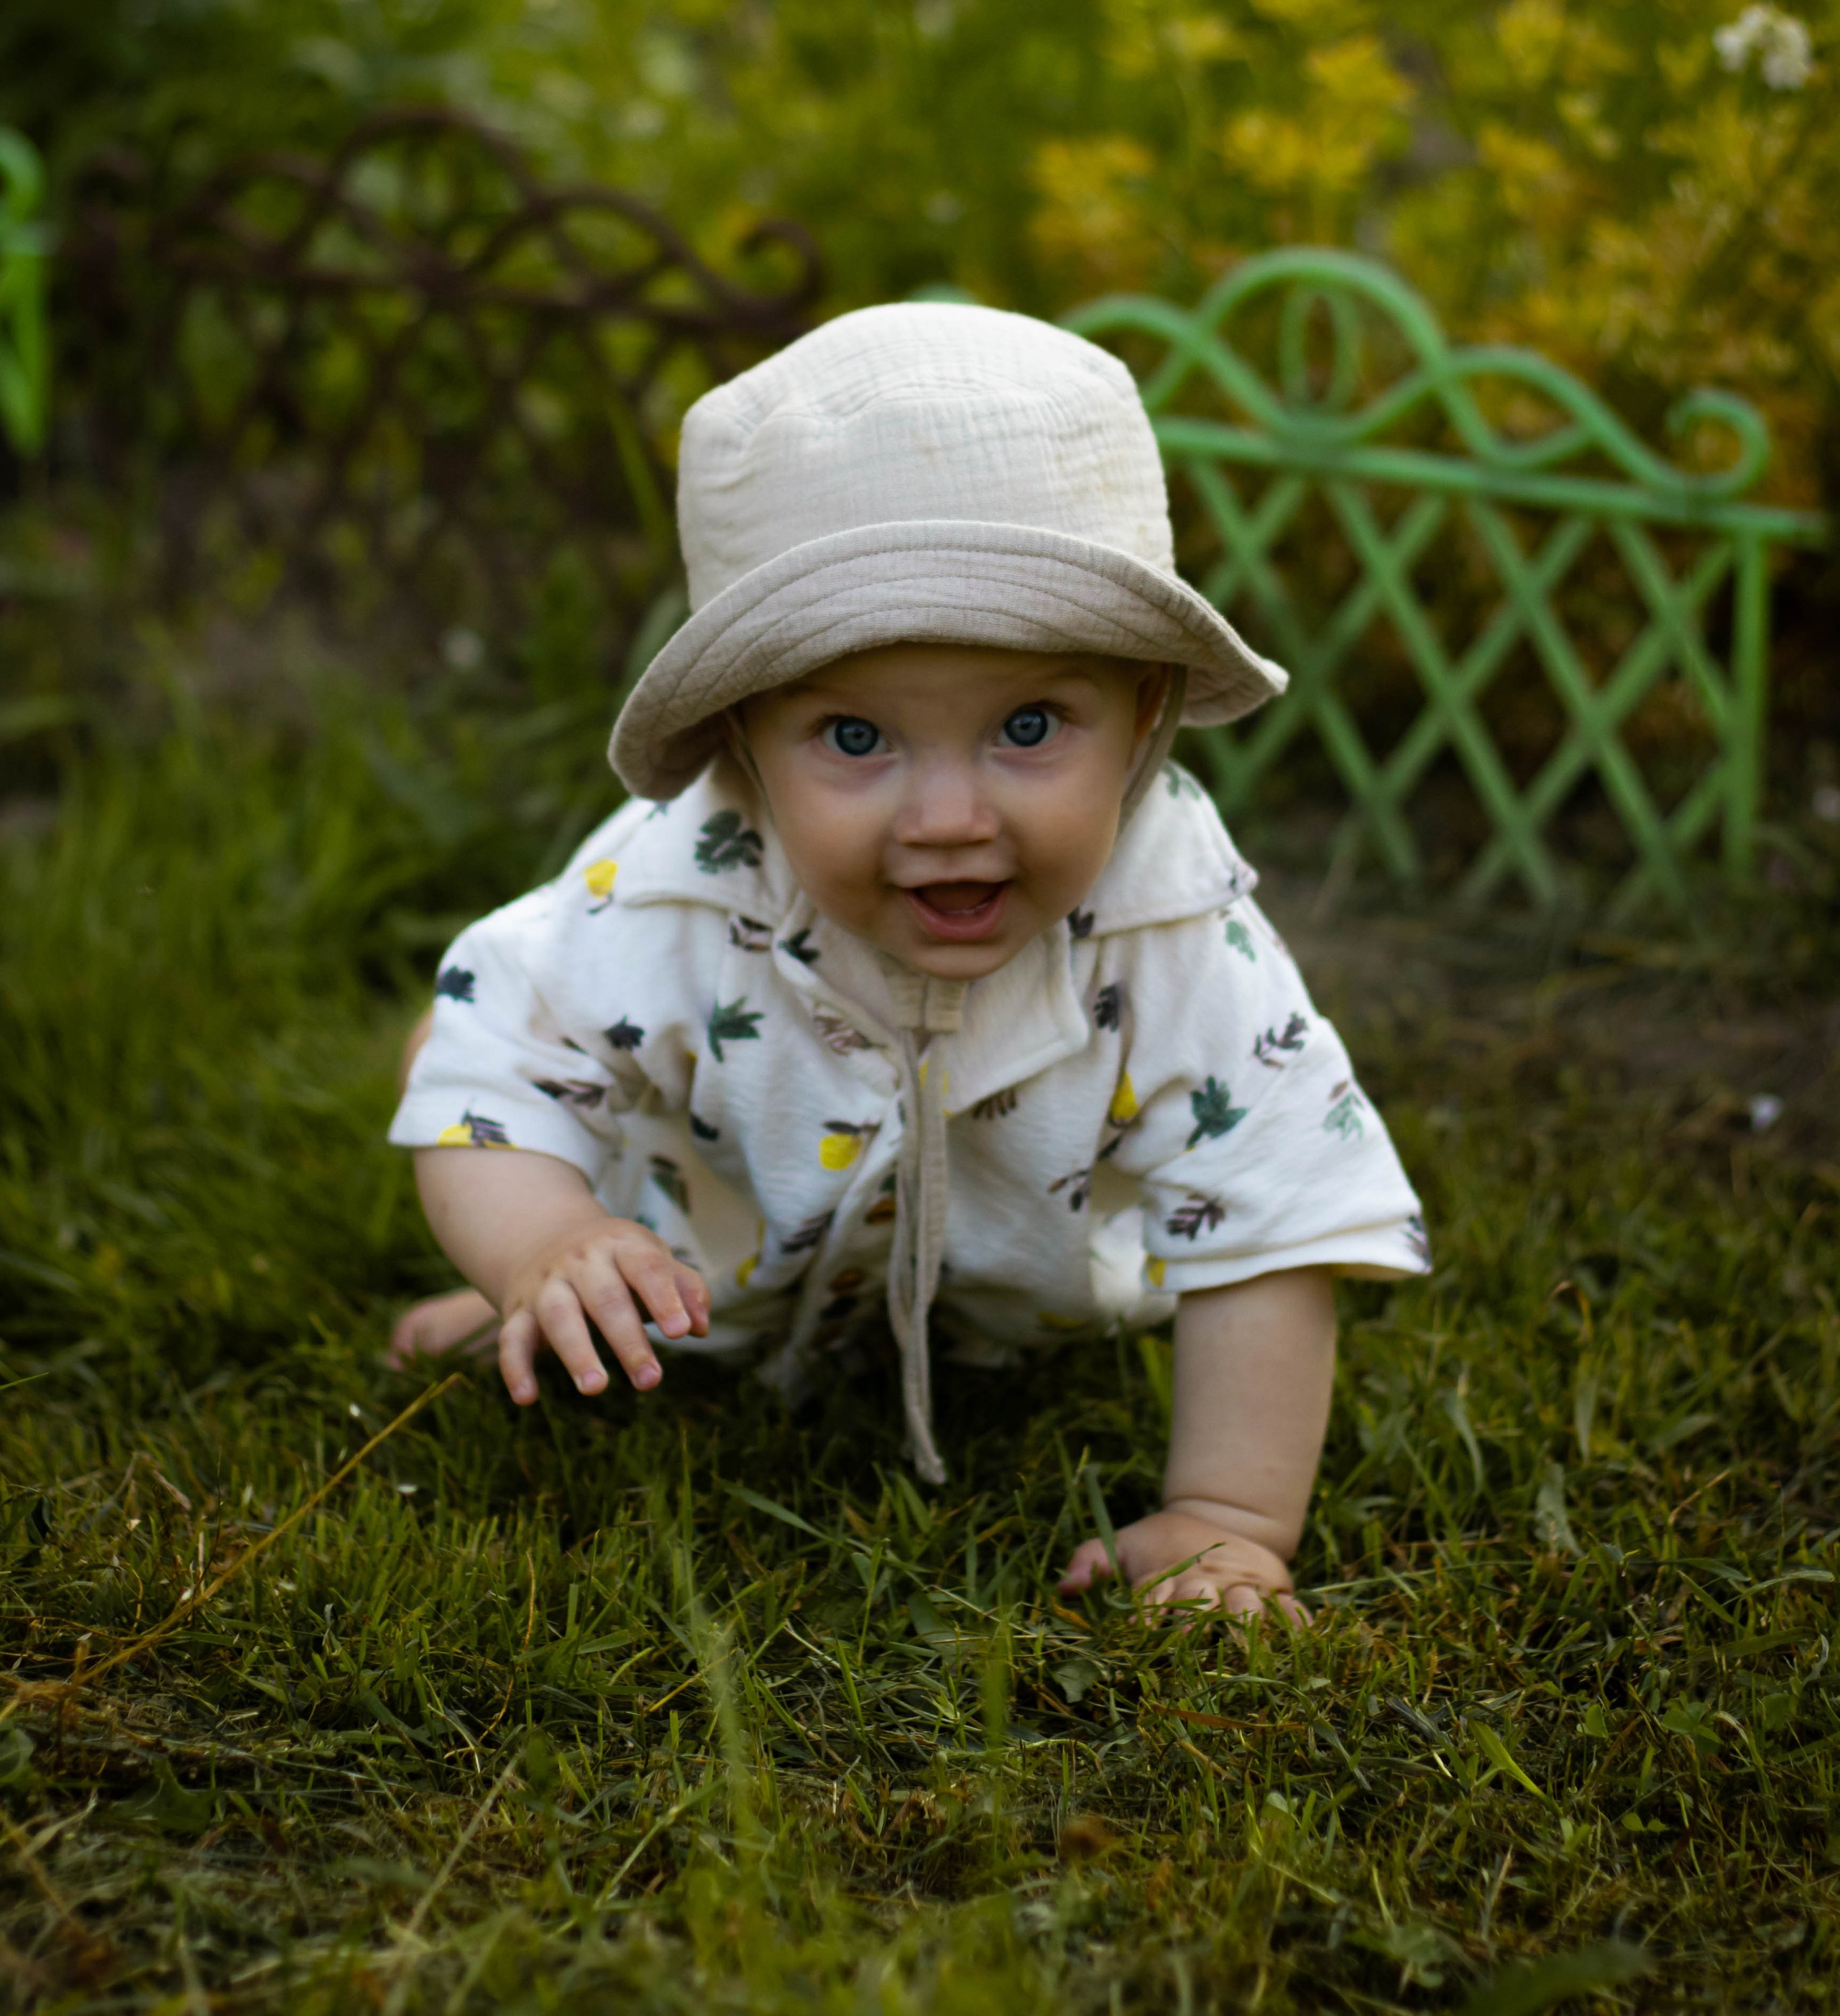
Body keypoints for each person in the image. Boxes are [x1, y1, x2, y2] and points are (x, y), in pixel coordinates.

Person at [387, 303, 1427, 1617]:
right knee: (474, 1081)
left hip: (1028, 1319)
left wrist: (1228, 1517)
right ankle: (551, 1295)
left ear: (1150, 714)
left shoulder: (1179, 926)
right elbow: (498, 1062)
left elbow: (1275, 1208)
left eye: (1032, 724)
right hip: (695, 1278)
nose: (948, 819)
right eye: (856, 740)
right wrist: (540, 1239)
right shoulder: (671, 884)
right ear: (742, 746)